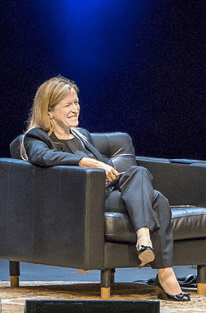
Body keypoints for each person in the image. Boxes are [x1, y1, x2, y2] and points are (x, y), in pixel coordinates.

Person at [22, 76, 189, 301]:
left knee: (142, 177)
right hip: (85, 200)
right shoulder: (38, 136)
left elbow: (110, 172)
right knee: (158, 200)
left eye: (77, 102)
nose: (75, 109)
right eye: (68, 105)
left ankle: (146, 242)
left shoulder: (81, 135)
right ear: (49, 111)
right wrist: (86, 162)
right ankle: (164, 272)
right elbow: (41, 156)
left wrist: (106, 169)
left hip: (109, 193)